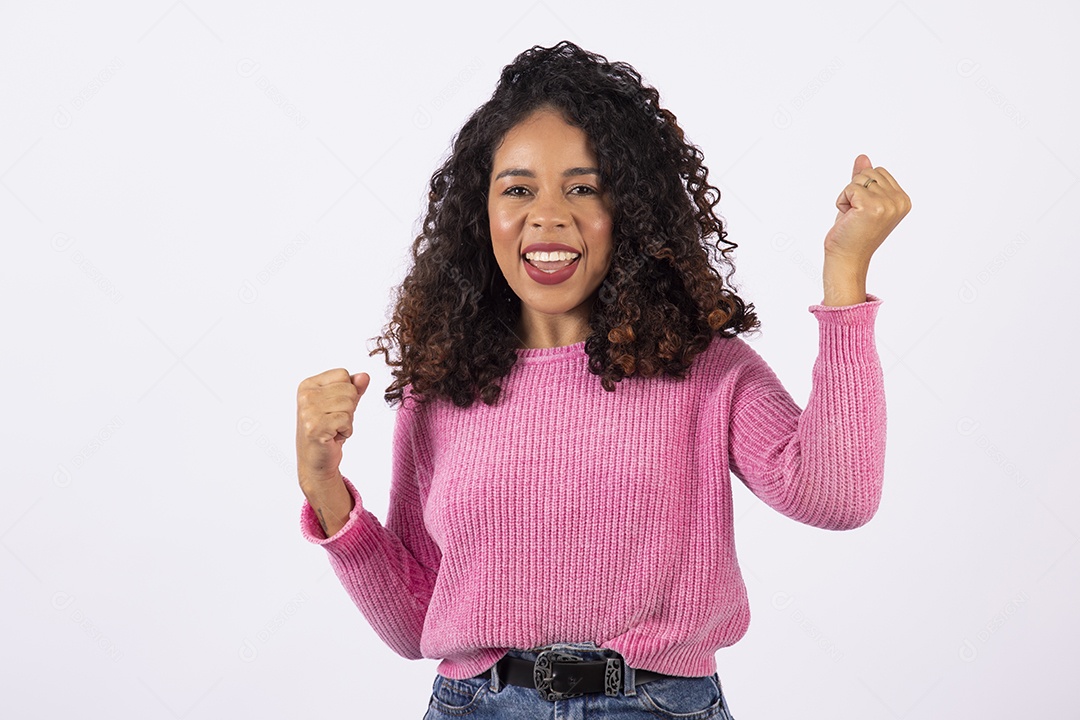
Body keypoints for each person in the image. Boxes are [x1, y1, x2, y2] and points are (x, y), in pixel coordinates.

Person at [294, 41, 910, 719]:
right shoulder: (442, 388)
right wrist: (324, 487)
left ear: (632, 212)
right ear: (481, 214)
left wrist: (845, 277)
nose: (548, 215)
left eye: (583, 188)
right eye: (519, 189)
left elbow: (838, 497)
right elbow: (416, 623)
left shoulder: (705, 371)